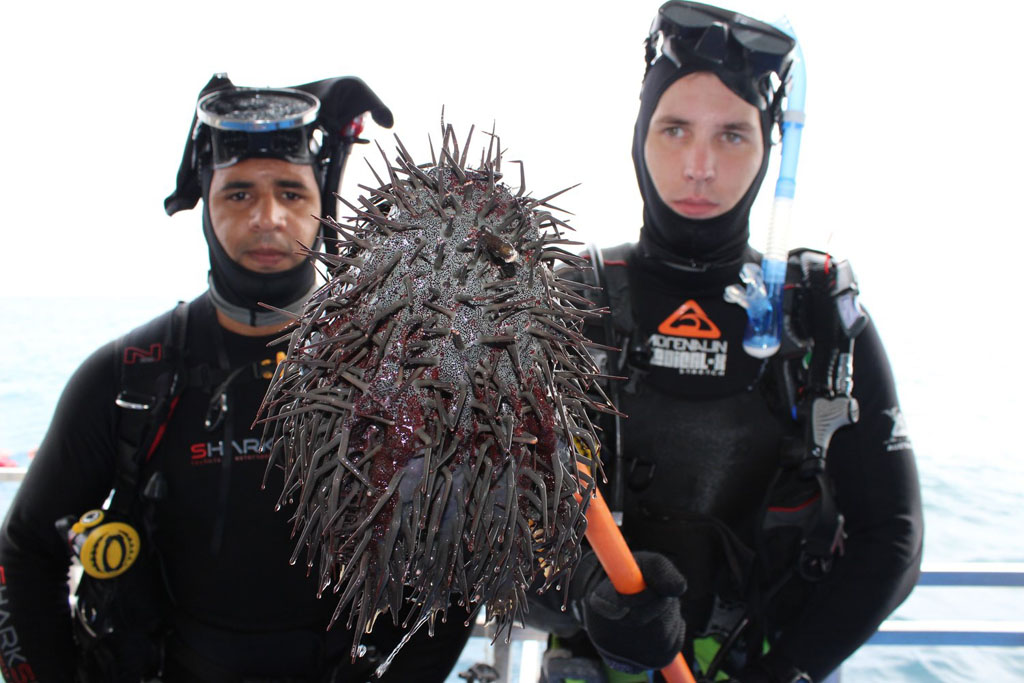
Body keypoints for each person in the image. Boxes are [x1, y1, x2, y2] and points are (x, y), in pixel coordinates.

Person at [0, 74, 475, 682]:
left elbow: (461, 557)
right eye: (239, 195)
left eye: (291, 192)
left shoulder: (405, 372)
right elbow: (27, 548)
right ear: (206, 203)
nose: (269, 218)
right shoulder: (127, 376)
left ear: (323, 206)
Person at [529, 3, 924, 682]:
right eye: (675, 128)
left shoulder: (820, 313)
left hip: (764, 659)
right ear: (639, 137)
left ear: (771, 147)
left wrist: (789, 671)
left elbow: (892, 536)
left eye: (734, 135)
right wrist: (586, 597)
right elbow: (490, 525)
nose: (701, 165)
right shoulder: (570, 301)